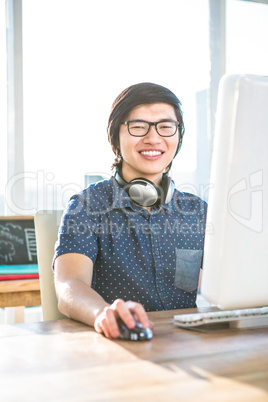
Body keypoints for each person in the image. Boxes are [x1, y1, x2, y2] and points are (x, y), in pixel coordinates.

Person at [53, 82, 207, 339]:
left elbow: (236, 279)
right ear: (116, 136)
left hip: (188, 345)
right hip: (118, 346)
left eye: (166, 127)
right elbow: (69, 285)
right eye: (138, 127)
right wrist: (103, 313)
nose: (154, 138)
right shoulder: (87, 206)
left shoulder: (198, 212)